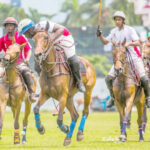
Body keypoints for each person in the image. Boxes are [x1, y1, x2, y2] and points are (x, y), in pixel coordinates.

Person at [96, 11, 150, 108]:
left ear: (123, 20)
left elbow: (139, 42)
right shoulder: (114, 31)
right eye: (116, 19)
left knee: (144, 78)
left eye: (119, 19)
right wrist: (100, 35)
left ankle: (148, 98)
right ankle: (112, 98)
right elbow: (105, 42)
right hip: (120, 60)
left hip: (133, 58)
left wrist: (129, 44)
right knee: (108, 78)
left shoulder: (130, 30)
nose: (117, 21)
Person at [18, 18, 85, 93]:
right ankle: (46, 83)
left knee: (73, 60)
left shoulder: (43, 24)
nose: (25, 36)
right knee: (37, 65)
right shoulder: (34, 35)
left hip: (64, 39)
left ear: (29, 30)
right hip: (50, 45)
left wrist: (51, 40)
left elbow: (61, 29)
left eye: (25, 33)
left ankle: (79, 82)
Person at [0, 17, 37, 102]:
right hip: (6, 63)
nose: (9, 27)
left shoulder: (21, 37)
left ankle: (31, 94)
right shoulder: (3, 39)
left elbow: (29, 50)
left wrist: (27, 59)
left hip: (20, 63)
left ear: (15, 27)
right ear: (5, 27)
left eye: (11, 26)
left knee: (26, 73)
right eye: (7, 26)